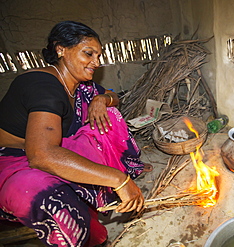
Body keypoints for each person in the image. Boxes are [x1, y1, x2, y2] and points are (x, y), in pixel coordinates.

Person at [0, 21, 151, 246]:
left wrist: (102, 100)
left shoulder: (79, 85)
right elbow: (41, 155)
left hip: (56, 147)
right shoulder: (42, 85)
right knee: (47, 197)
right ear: (60, 49)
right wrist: (119, 180)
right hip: (15, 159)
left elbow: (114, 96)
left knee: (110, 116)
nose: (96, 63)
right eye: (89, 54)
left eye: (99, 56)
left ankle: (107, 182)